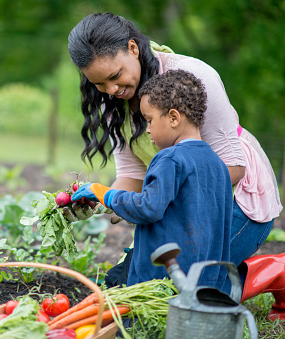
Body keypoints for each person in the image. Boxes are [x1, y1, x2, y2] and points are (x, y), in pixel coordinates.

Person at [68, 12, 285, 321]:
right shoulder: (114, 103)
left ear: (133, 49)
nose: (111, 90)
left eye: (115, 75)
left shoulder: (191, 77)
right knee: (125, 284)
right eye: (99, 83)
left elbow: (233, 168)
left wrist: (157, 201)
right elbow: (132, 176)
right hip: (174, 201)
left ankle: (280, 271)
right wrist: (99, 200)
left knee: (178, 293)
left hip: (234, 201)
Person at [73, 69, 233, 293]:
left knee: (132, 323)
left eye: (149, 120)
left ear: (174, 118)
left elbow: (147, 208)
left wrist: (105, 194)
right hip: (203, 284)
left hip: (160, 282)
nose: (147, 130)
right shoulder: (217, 165)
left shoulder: (170, 159)